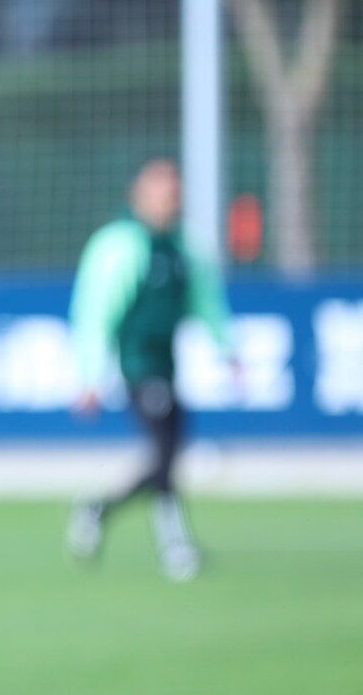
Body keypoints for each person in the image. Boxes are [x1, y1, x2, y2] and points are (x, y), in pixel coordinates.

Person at [66, 157, 238, 582]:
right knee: (165, 451)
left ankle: (99, 507)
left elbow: (205, 300)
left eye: (174, 193)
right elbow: (96, 312)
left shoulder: (185, 246)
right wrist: (90, 377)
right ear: (139, 196)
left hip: (168, 361)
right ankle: (174, 542)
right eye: (162, 193)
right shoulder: (118, 246)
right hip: (137, 363)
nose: (170, 201)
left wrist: (227, 348)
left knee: (167, 454)